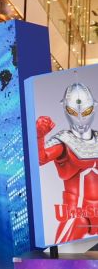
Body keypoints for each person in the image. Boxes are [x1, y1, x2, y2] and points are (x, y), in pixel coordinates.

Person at [36, 83, 98, 244]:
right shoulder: (64, 141)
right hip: (77, 214)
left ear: (93, 108)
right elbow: (40, 158)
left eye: (86, 111)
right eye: (74, 112)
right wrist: (39, 136)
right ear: (66, 109)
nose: (81, 117)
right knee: (62, 255)